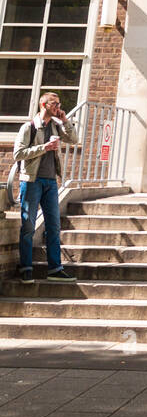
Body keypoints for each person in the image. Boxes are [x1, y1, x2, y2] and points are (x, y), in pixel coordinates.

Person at [13, 92, 78, 283]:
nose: (58, 106)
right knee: (28, 225)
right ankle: (26, 268)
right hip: (31, 181)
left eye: (59, 103)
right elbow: (18, 154)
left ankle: (55, 269)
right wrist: (44, 147)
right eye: (54, 103)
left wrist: (65, 120)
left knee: (53, 226)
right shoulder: (29, 127)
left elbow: (74, 140)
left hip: (50, 182)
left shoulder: (56, 126)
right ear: (43, 104)